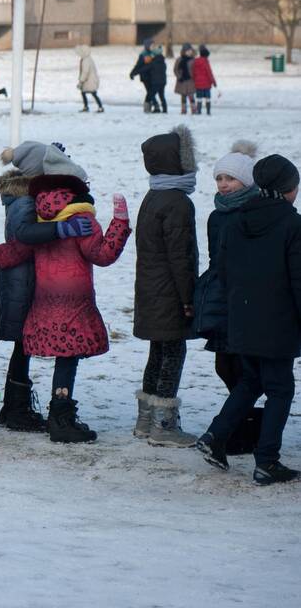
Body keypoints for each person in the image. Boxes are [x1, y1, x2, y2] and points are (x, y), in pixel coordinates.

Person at [0, 169, 132, 444]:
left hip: (45, 307)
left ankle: (58, 416)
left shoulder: (40, 224)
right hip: (75, 306)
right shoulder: (81, 221)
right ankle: (61, 419)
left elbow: (16, 250)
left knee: (64, 360)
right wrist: (120, 223)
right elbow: (103, 254)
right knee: (67, 361)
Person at [197, 155, 301, 486]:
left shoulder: (237, 219)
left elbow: (223, 271)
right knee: (281, 388)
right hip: (277, 322)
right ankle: (267, 461)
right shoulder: (292, 224)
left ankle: (215, 436)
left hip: (241, 317)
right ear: (289, 189)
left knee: (252, 382)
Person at [0, 142, 93, 432]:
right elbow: (23, 234)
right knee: (22, 345)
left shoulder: (27, 195)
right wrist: (59, 230)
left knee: (23, 345)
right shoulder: (23, 199)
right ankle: (16, 409)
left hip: (25, 278)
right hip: (21, 282)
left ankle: (14, 407)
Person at [133, 126, 199, 447]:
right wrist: (189, 298)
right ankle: (164, 425)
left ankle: (145, 420)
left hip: (150, 289)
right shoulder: (178, 202)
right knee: (173, 352)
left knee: (157, 352)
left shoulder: (153, 196)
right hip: (170, 292)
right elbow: (181, 256)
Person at [194, 140, 261, 455]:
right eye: (219, 178)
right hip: (223, 294)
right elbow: (214, 257)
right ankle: (242, 419)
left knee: (245, 365)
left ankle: (240, 423)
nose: (223, 184)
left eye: (229, 179)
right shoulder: (216, 215)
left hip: (248, 297)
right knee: (225, 364)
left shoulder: (255, 211)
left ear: (246, 181)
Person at [75, 44, 103, 113]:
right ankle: (87, 107)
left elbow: (85, 72)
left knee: (92, 93)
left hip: (89, 81)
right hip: (89, 80)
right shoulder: (87, 59)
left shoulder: (86, 60)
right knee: (84, 93)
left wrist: (81, 81)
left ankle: (99, 107)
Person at [192, 44, 217, 115]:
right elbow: (209, 73)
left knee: (199, 98)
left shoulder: (195, 61)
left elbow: (193, 72)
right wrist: (214, 82)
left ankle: (199, 110)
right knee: (207, 98)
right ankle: (208, 111)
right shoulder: (206, 62)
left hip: (198, 84)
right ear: (206, 55)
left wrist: (194, 80)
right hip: (206, 84)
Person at [173, 43, 196, 115]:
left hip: (190, 81)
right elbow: (175, 69)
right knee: (183, 96)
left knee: (191, 96)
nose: (189, 52)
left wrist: (194, 76)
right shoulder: (179, 60)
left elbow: (196, 70)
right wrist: (179, 77)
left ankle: (194, 109)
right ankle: (183, 110)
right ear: (184, 51)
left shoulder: (193, 60)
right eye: (187, 51)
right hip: (182, 81)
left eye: (190, 51)